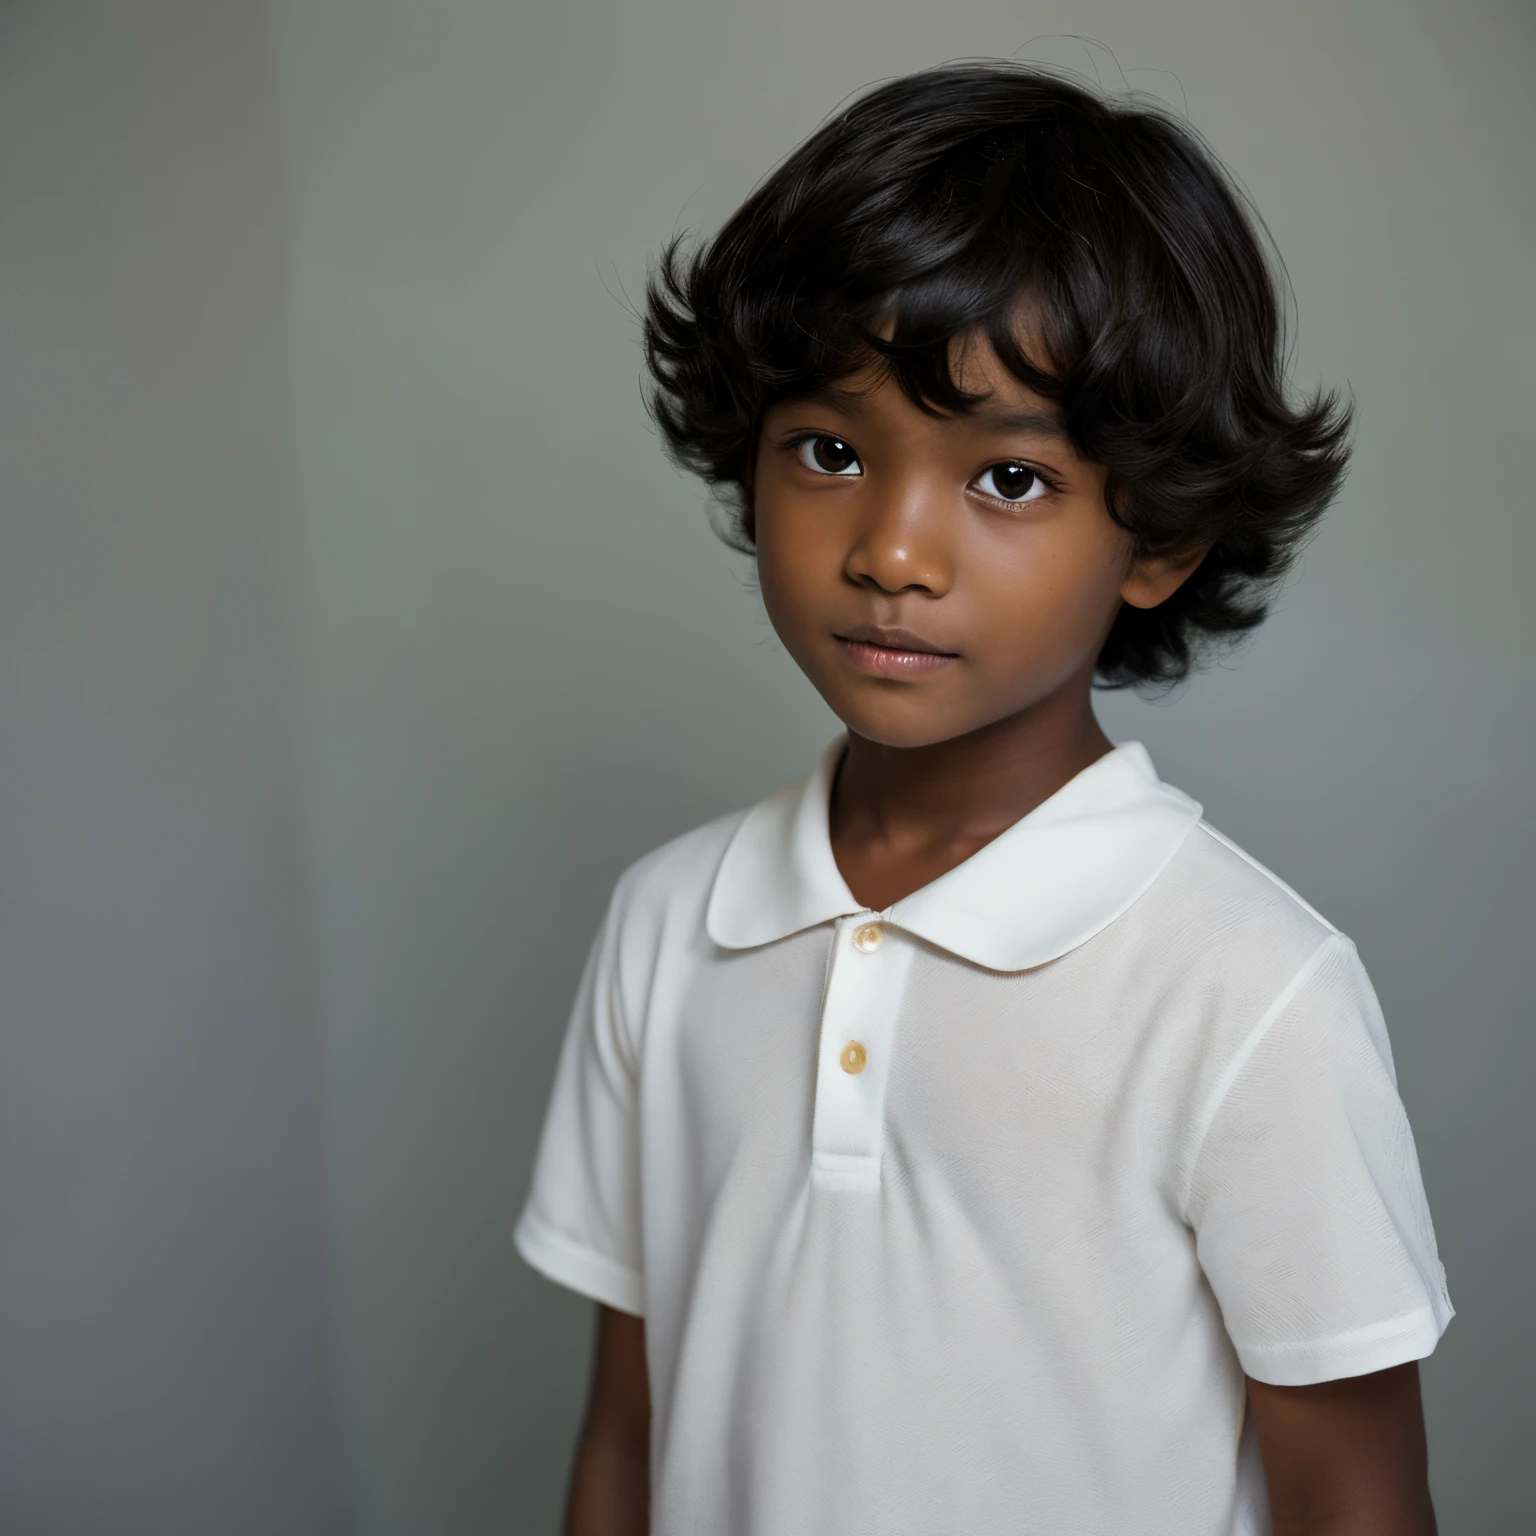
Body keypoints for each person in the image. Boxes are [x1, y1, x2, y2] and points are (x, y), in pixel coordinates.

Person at [515, 62, 1452, 1535]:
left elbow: (1357, 1498)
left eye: (1007, 480)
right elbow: (627, 1443)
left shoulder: (1250, 994)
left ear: (1158, 541)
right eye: (831, 452)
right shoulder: (667, 928)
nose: (893, 547)